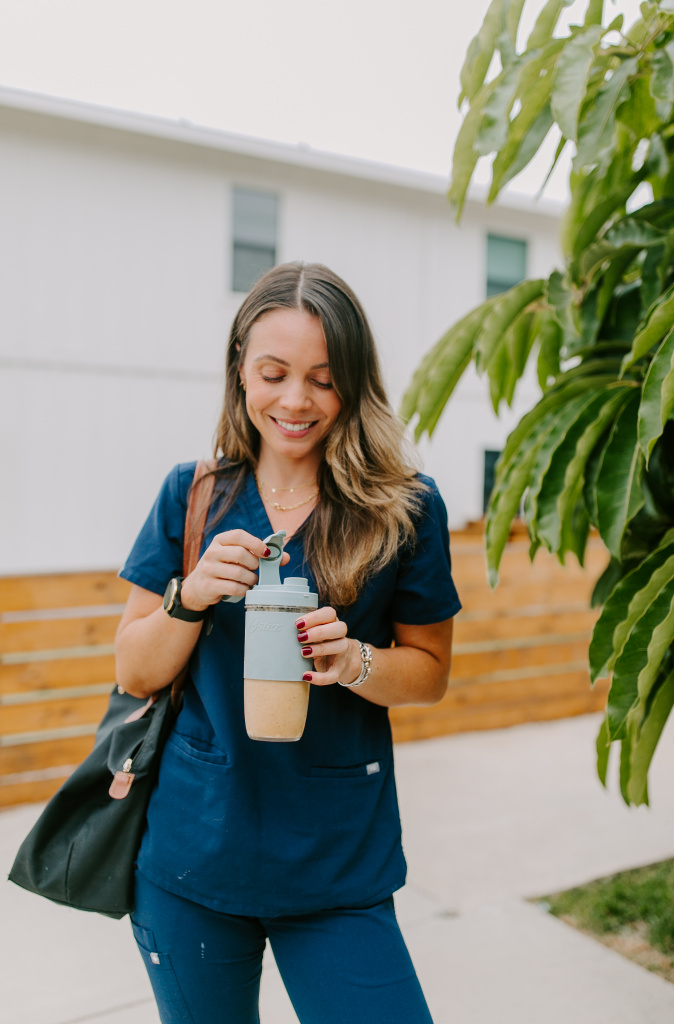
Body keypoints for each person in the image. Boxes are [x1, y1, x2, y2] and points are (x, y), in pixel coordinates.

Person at [115, 262, 461, 1024]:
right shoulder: (194, 493)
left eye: (323, 379)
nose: (296, 400)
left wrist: (354, 662)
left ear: (354, 383)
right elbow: (133, 671)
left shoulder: (404, 508)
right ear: (240, 367)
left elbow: (430, 672)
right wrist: (193, 595)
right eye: (273, 373)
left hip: (337, 864)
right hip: (193, 857)